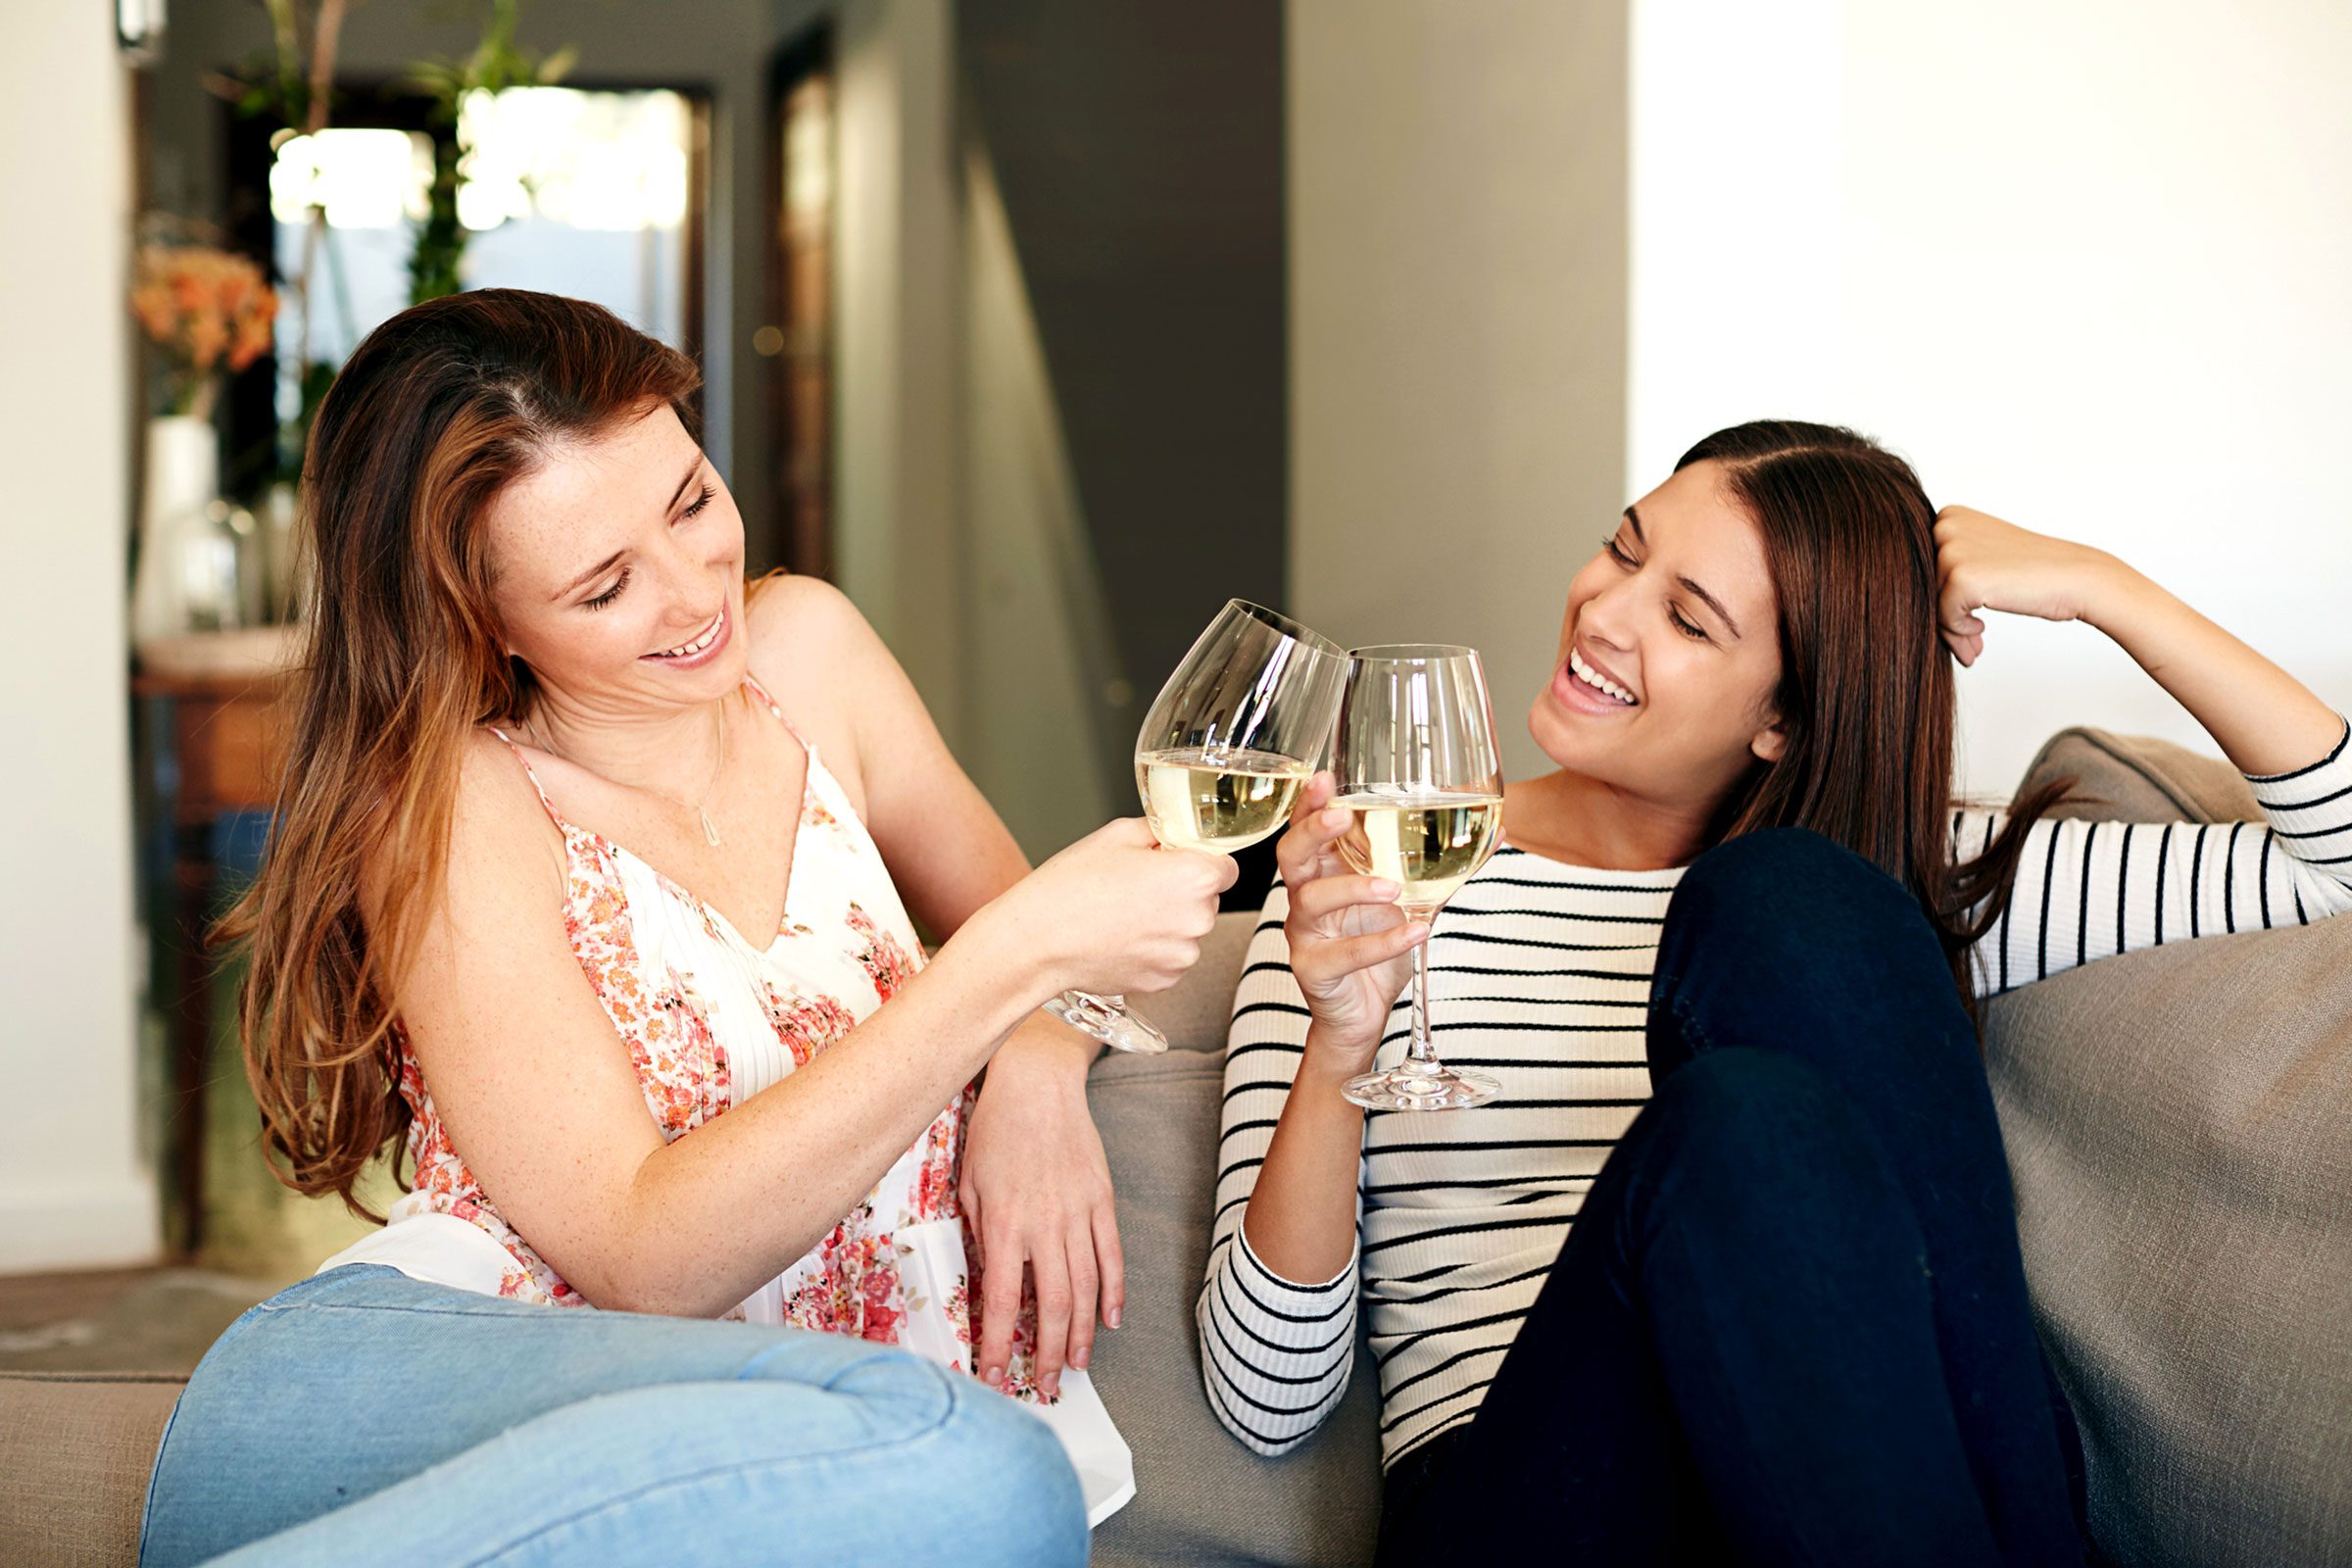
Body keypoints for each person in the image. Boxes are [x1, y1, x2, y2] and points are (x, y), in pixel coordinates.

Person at [140, 288, 1237, 1566]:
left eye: (692, 501)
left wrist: (1039, 1077)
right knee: (988, 1484)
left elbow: (1041, 955)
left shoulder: (811, 652)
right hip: (460, 1380)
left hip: (832, 1412)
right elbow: (647, 1256)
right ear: (479, 615)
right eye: (604, 586)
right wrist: (998, 973)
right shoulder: (454, 811)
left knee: (1000, 1494)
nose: (690, 594)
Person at [1199, 420, 2352, 1564]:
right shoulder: (1364, 879)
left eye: (1687, 617)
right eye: (1622, 549)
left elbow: (2336, 868)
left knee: (1792, 897)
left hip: (1852, 1481)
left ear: (1783, 719)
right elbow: (1264, 1392)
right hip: (1535, 1495)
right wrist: (1341, 1048)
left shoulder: (1904, 891)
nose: (1604, 612)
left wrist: (2106, 590)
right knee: (1740, 1118)